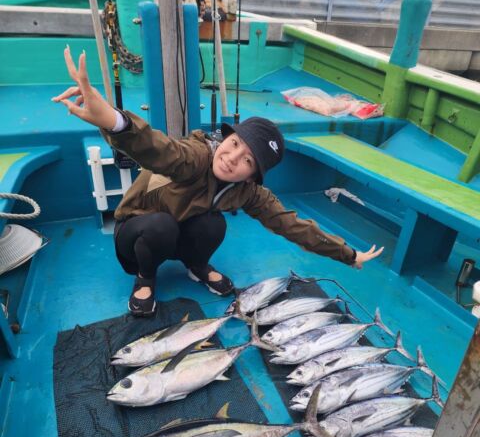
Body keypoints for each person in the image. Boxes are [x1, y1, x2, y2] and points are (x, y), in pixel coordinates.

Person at [53, 48, 383, 316]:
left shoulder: (249, 193)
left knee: (214, 225)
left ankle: (196, 266)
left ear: (253, 176)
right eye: (235, 143)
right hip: (135, 235)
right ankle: (146, 277)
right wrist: (112, 120)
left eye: (248, 161)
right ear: (226, 137)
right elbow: (158, 149)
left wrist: (348, 254)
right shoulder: (196, 156)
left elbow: (291, 225)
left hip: (179, 230)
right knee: (160, 227)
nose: (232, 157)